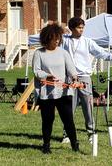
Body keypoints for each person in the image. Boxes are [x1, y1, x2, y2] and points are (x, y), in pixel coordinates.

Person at [61, 17, 112, 143]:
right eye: (78, 27)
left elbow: (100, 52)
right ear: (71, 28)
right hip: (69, 78)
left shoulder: (87, 42)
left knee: (88, 107)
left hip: (84, 78)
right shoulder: (64, 40)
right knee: (69, 107)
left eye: (83, 27)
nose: (81, 30)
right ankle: (67, 134)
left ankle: (91, 133)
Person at [32, 23, 79, 154]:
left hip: (63, 92)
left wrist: (75, 79)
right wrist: (47, 76)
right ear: (47, 38)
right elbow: (36, 71)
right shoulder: (39, 53)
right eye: (54, 38)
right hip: (47, 93)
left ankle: (75, 145)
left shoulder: (63, 53)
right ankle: (46, 145)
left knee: (68, 119)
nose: (57, 40)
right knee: (47, 120)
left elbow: (72, 70)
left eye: (59, 37)